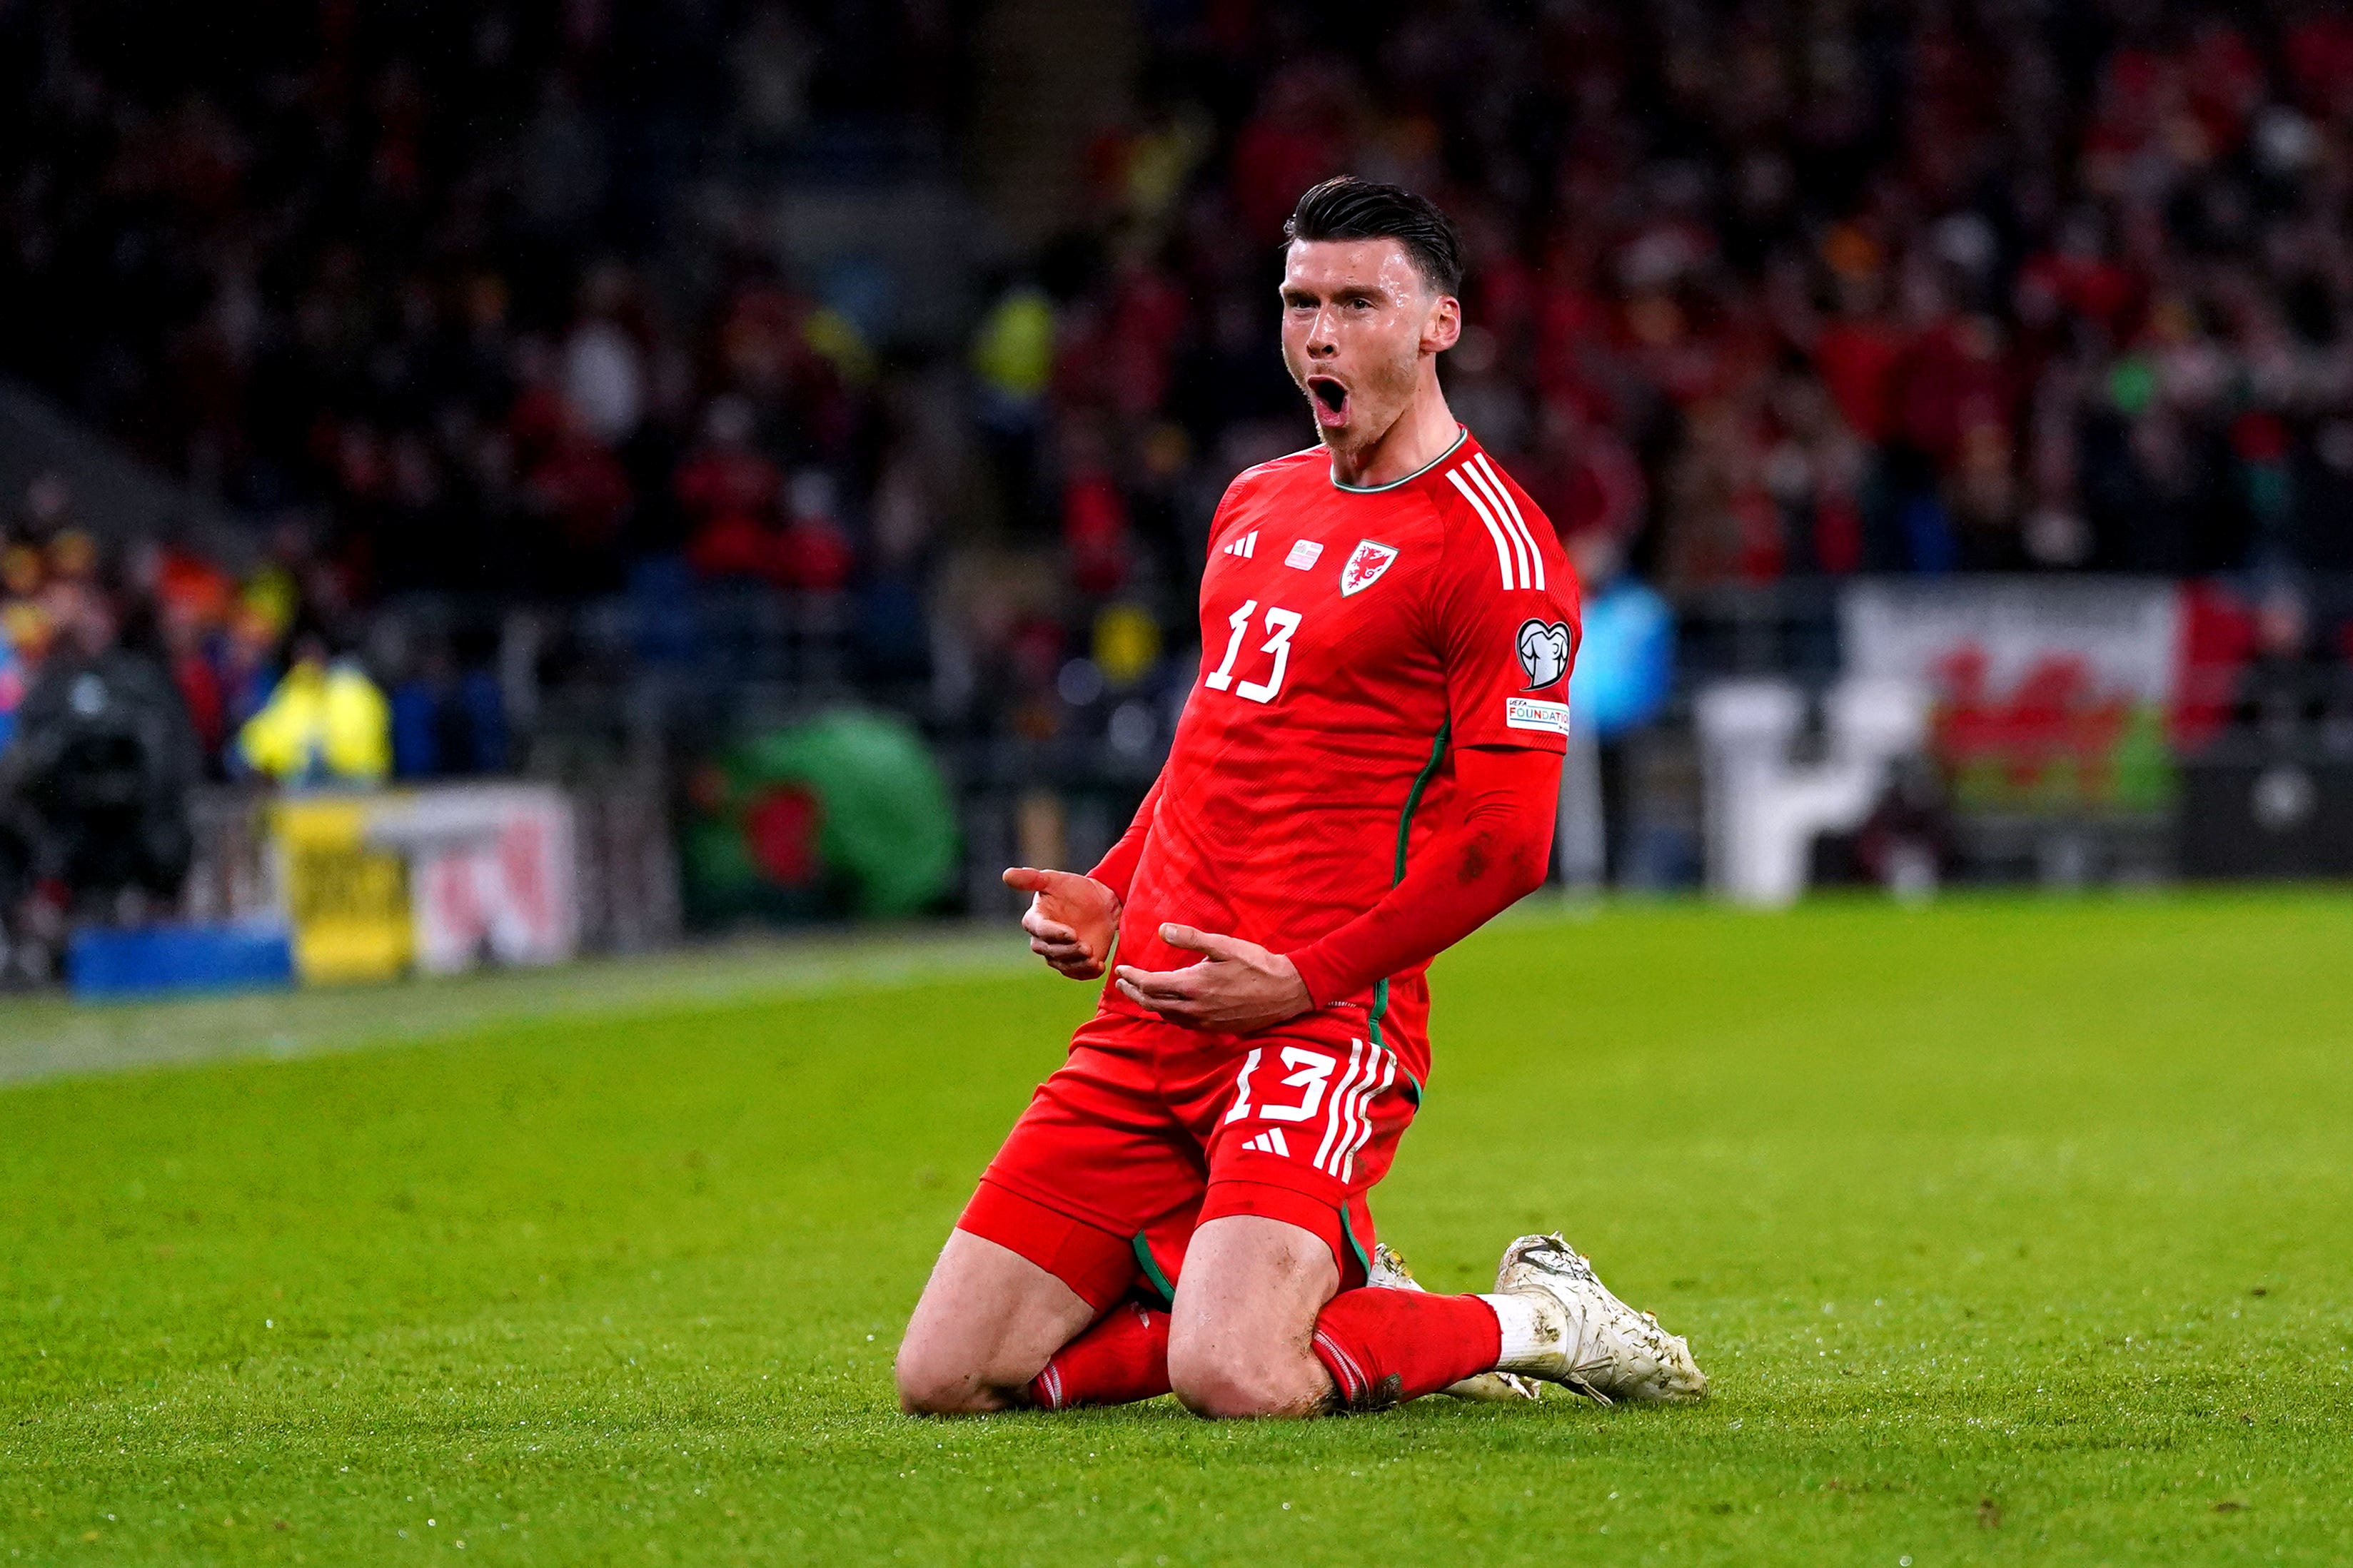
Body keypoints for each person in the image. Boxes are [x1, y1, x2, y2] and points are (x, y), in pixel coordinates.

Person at [896, 178, 1706, 1420]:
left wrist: (1304, 980)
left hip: (1317, 1028)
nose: (1319, 334)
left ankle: (1537, 1316)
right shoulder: (1254, 500)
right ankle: (1312, 1272)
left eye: (1357, 303)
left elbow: (1508, 845)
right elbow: (1217, 738)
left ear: (1440, 323)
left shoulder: (1497, 549)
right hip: (1151, 1014)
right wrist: (1115, 883)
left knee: (1235, 1376)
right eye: (1298, 303)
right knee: (947, 1376)